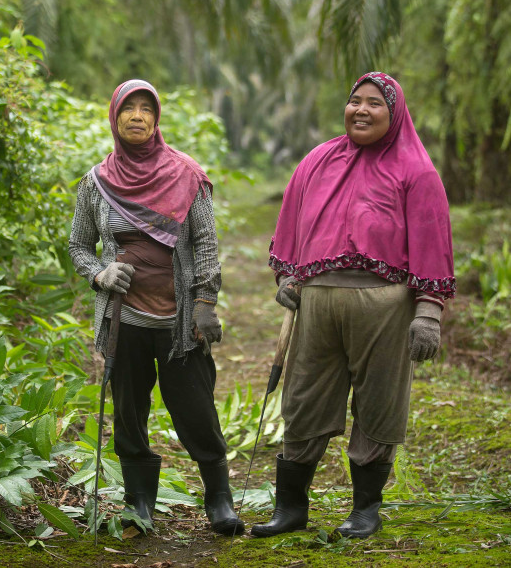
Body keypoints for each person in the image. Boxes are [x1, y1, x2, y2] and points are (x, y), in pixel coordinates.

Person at [252, 72, 456, 539]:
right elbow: (290, 223)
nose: (360, 110)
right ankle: (291, 509)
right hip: (318, 303)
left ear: (394, 112)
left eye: (373, 103)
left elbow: (433, 242)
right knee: (302, 399)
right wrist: (287, 276)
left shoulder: (416, 170)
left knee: (379, 405)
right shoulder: (317, 161)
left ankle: (365, 510)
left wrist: (428, 312)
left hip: (385, 309)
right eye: (354, 101)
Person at [68, 79, 243, 535]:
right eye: (129, 108)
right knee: (129, 412)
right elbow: (78, 245)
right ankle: (139, 503)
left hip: (179, 321)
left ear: (157, 118)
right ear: (114, 116)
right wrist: (99, 274)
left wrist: (205, 302)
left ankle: (219, 499)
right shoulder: (96, 182)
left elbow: (205, 242)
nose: (138, 116)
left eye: (147, 108)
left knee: (196, 410)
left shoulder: (187, 174)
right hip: (122, 320)